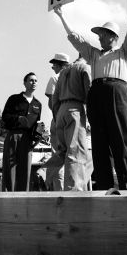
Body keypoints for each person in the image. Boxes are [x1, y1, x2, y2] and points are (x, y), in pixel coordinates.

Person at [53, 0, 127, 191]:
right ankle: (104, 186)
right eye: (99, 34)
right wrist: (60, 15)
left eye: (103, 34)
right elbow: (76, 40)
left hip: (116, 93)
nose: (99, 37)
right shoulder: (93, 54)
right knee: (100, 143)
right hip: (96, 94)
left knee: (119, 139)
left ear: (113, 37)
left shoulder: (124, 51)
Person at [51, 56, 92, 190]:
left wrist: (58, 118)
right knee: (76, 153)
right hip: (75, 109)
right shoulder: (84, 68)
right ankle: (75, 193)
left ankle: (53, 184)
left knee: (63, 153)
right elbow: (89, 92)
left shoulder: (63, 72)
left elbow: (54, 99)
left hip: (61, 111)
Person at [1, 72, 42, 192]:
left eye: (35, 80)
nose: (33, 82)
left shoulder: (38, 104)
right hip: (13, 136)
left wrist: (39, 132)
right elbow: (5, 116)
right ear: (24, 83)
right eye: (30, 80)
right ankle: (8, 196)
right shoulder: (14, 99)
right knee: (10, 168)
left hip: (28, 139)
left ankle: (24, 197)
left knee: (26, 169)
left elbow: (36, 123)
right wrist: (18, 119)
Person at [44, 53, 70, 191]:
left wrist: (57, 118)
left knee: (58, 155)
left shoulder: (55, 78)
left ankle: (57, 191)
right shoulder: (73, 78)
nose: (52, 66)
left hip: (58, 118)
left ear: (61, 64)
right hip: (72, 120)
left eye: (54, 63)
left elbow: (51, 102)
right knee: (70, 155)